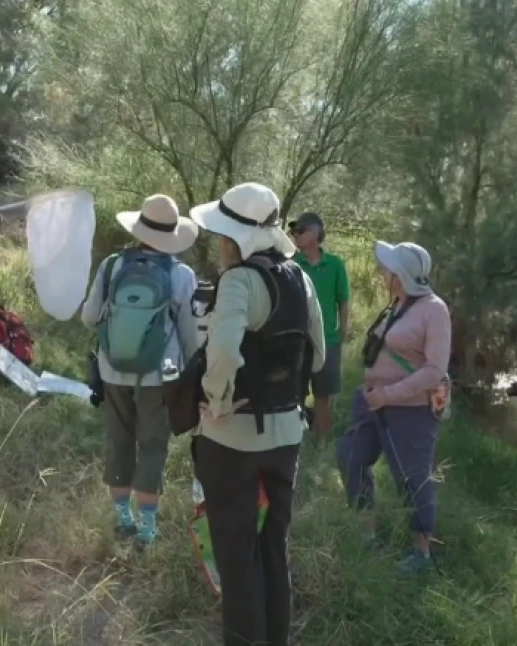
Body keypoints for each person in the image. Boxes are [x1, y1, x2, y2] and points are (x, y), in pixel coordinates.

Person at [189, 182, 325, 646]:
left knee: (236, 557)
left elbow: (222, 351)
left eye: (222, 235)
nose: (219, 243)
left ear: (236, 238)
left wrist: (218, 401)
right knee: (274, 552)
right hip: (287, 436)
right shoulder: (301, 278)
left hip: (232, 441)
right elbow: (319, 355)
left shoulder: (238, 281)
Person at [79, 194, 200, 548]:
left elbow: (88, 318)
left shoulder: (113, 266)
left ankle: (123, 519)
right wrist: (190, 369)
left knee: (119, 439)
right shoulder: (180, 274)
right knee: (152, 444)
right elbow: (191, 335)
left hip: (113, 367)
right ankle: (148, 529)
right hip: (159, 375)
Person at [336, 241, 451, 572]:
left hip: (409, 410)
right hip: (371, 402)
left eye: (387, 268)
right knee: (350, 456)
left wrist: (390, 394)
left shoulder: (435, 310)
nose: (381, 271)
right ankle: (367, 534)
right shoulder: (398, 305)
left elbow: (434, 370)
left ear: (401, 275)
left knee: (414, 477)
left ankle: (422, 553)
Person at [290, 211, 350, 439]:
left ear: (315, 233)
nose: (295, 235)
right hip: (298, 340)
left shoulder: (335, 264)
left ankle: (321, 442)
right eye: (294, 232)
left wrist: (343, 331)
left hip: (328, 340)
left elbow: (343, 300)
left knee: (323, 394)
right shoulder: (293, 264)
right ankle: (295, 440)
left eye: (300, 231)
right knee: (295, 393)